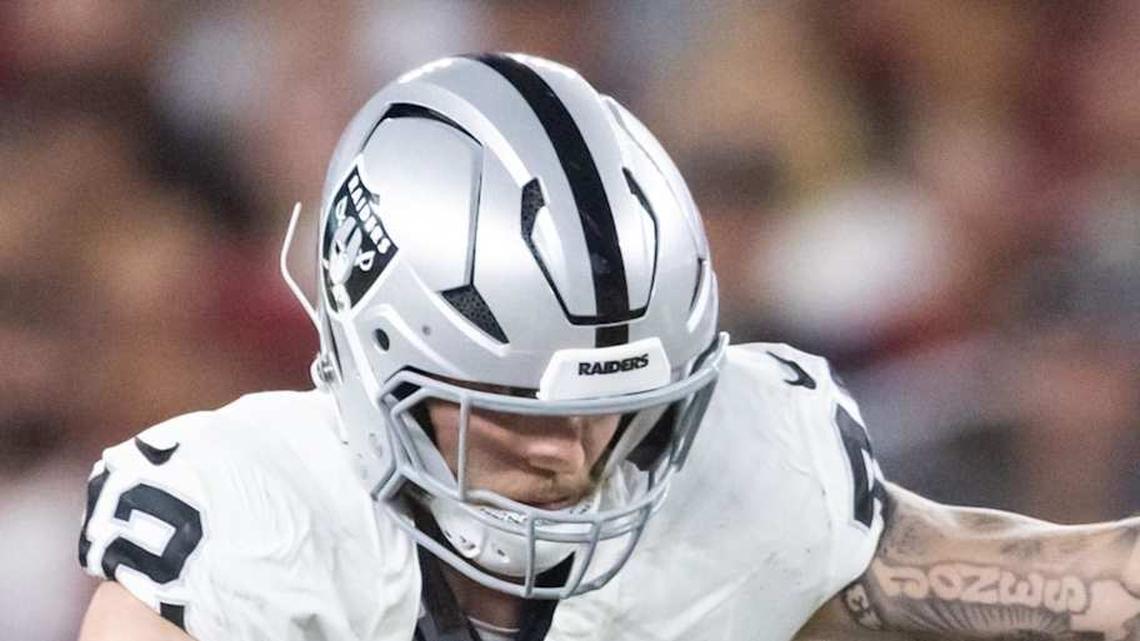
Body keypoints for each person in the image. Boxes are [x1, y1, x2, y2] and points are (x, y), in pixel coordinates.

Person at [76, 53, 1140, 641]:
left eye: (623, 409)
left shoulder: (745, 470)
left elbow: (1053, 583)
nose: (577, 456)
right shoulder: (243, 525)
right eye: (517, 408)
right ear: (378, 360)